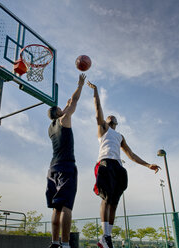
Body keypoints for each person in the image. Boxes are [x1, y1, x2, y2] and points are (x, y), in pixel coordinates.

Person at [87, 82, 160, 248]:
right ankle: (104, 236)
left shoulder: (120, 136)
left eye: (113, 117)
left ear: (117, 122)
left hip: (118, 167)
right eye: (108, 117)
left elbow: (132, 155)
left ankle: (108, 237)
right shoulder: (103, 129)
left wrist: (148, 165)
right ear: (106, 121)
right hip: (105, 163)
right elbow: (98, 108)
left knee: (114, 202)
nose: (110, 117)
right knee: (106, 198)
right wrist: (96, 92)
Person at [46, 73, 86, 248]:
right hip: (66, 166)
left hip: (52, 168)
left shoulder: (51, 128)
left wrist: (66, 105)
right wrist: (80, 85)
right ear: (59, 112)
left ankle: (55, 243)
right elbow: (74, 101)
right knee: (67, 207)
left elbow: (67, 105)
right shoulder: (65, 119)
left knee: (56, 208)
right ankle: (66, 244)